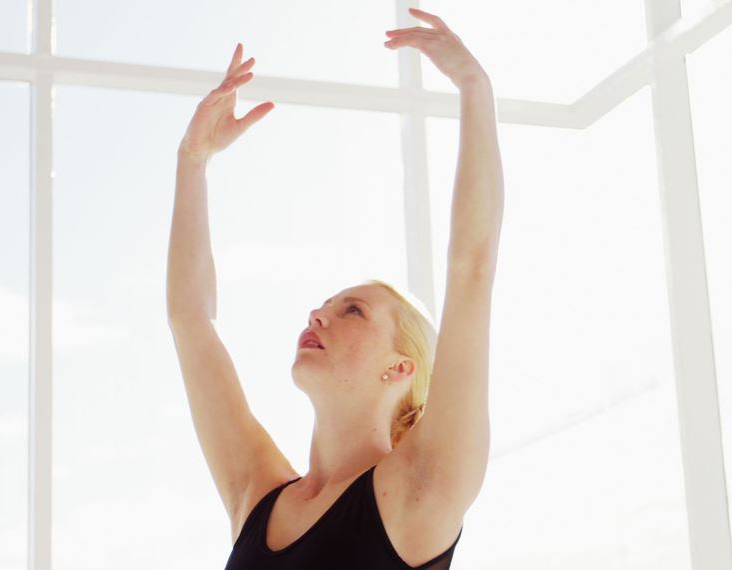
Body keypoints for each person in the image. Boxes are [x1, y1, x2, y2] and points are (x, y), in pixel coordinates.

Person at [166, 7, 504, 569]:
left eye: (352, 311)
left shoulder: (421, 487)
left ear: (401, 368)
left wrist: (475, 87)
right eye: (324, 306)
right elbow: (189, 319)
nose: (318, 316)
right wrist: (192, 161)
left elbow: (472, 267)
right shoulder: (258, 493)